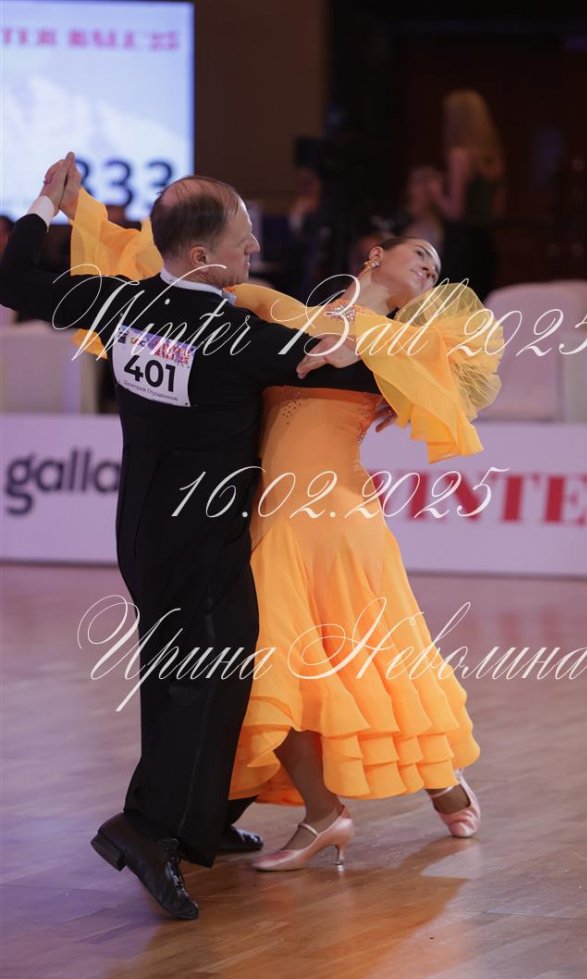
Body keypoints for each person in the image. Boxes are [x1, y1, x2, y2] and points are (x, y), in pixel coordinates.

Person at [68, 185, 504, 872]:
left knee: (375, 658)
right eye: (419, 253)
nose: (429, 267)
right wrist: (81, 213)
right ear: (376, 254)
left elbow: (440, 379)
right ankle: (324, 811)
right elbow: (170, 265)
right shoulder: (279, 311)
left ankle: (443, 783)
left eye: (436, 268)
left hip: (338, 520)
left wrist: (373, 356)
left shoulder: (408, 348)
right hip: (268, 516)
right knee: (274, 664)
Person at [0, 154, 382, 918]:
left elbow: (13, 279)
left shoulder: (118, 301)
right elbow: (355, 373)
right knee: (203, 679)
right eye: (244, 240)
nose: (255, 250)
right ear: (204, 254)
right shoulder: (236, 335)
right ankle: (147, 830)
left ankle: (200, 819)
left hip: (144, 526)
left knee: (189, 671)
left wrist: (45, 201)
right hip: (204, 534)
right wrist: (390, 326)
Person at [429, 90, 505, 300]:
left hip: (461, 245)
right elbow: (497, 209)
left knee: (454, 308)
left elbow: (456, 212)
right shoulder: (494, 158)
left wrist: (436, 193)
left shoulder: (459, 156)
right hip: (485, 243)